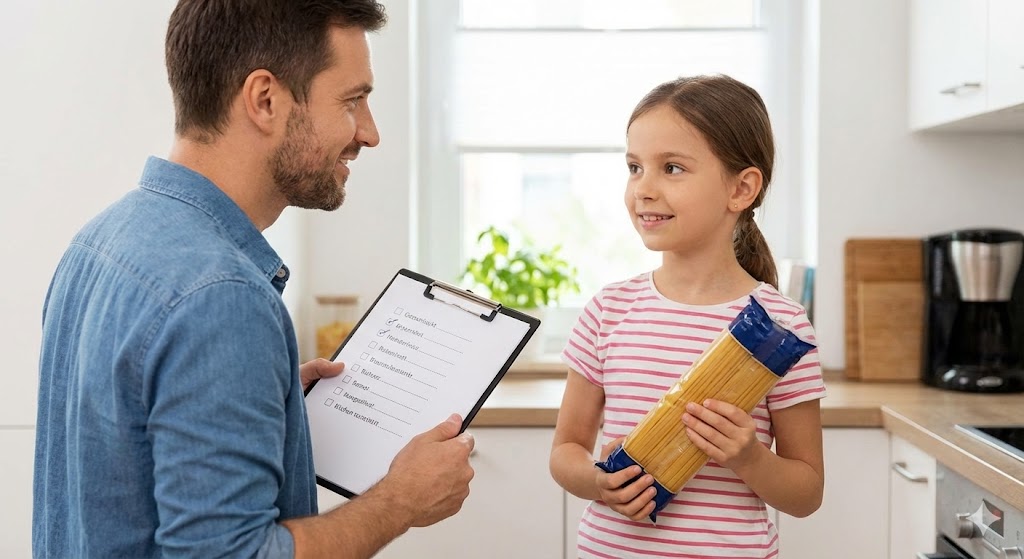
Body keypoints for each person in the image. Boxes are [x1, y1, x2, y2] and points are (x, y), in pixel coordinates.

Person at [33, 2, 475, 558]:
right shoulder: (222, 297)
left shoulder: (100, 240)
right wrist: (399, 502)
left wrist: (267, 399)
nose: (369, 133)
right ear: (265, 100)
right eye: (352, 100)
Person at [549, 75, 826, 558]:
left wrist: (749, 457)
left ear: (741, 188)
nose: (643, 189)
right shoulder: (609, 311)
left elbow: (806, 494)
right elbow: (565, 451)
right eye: (635, 167)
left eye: (672, 168)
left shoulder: (782, 327)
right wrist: (598, 482)